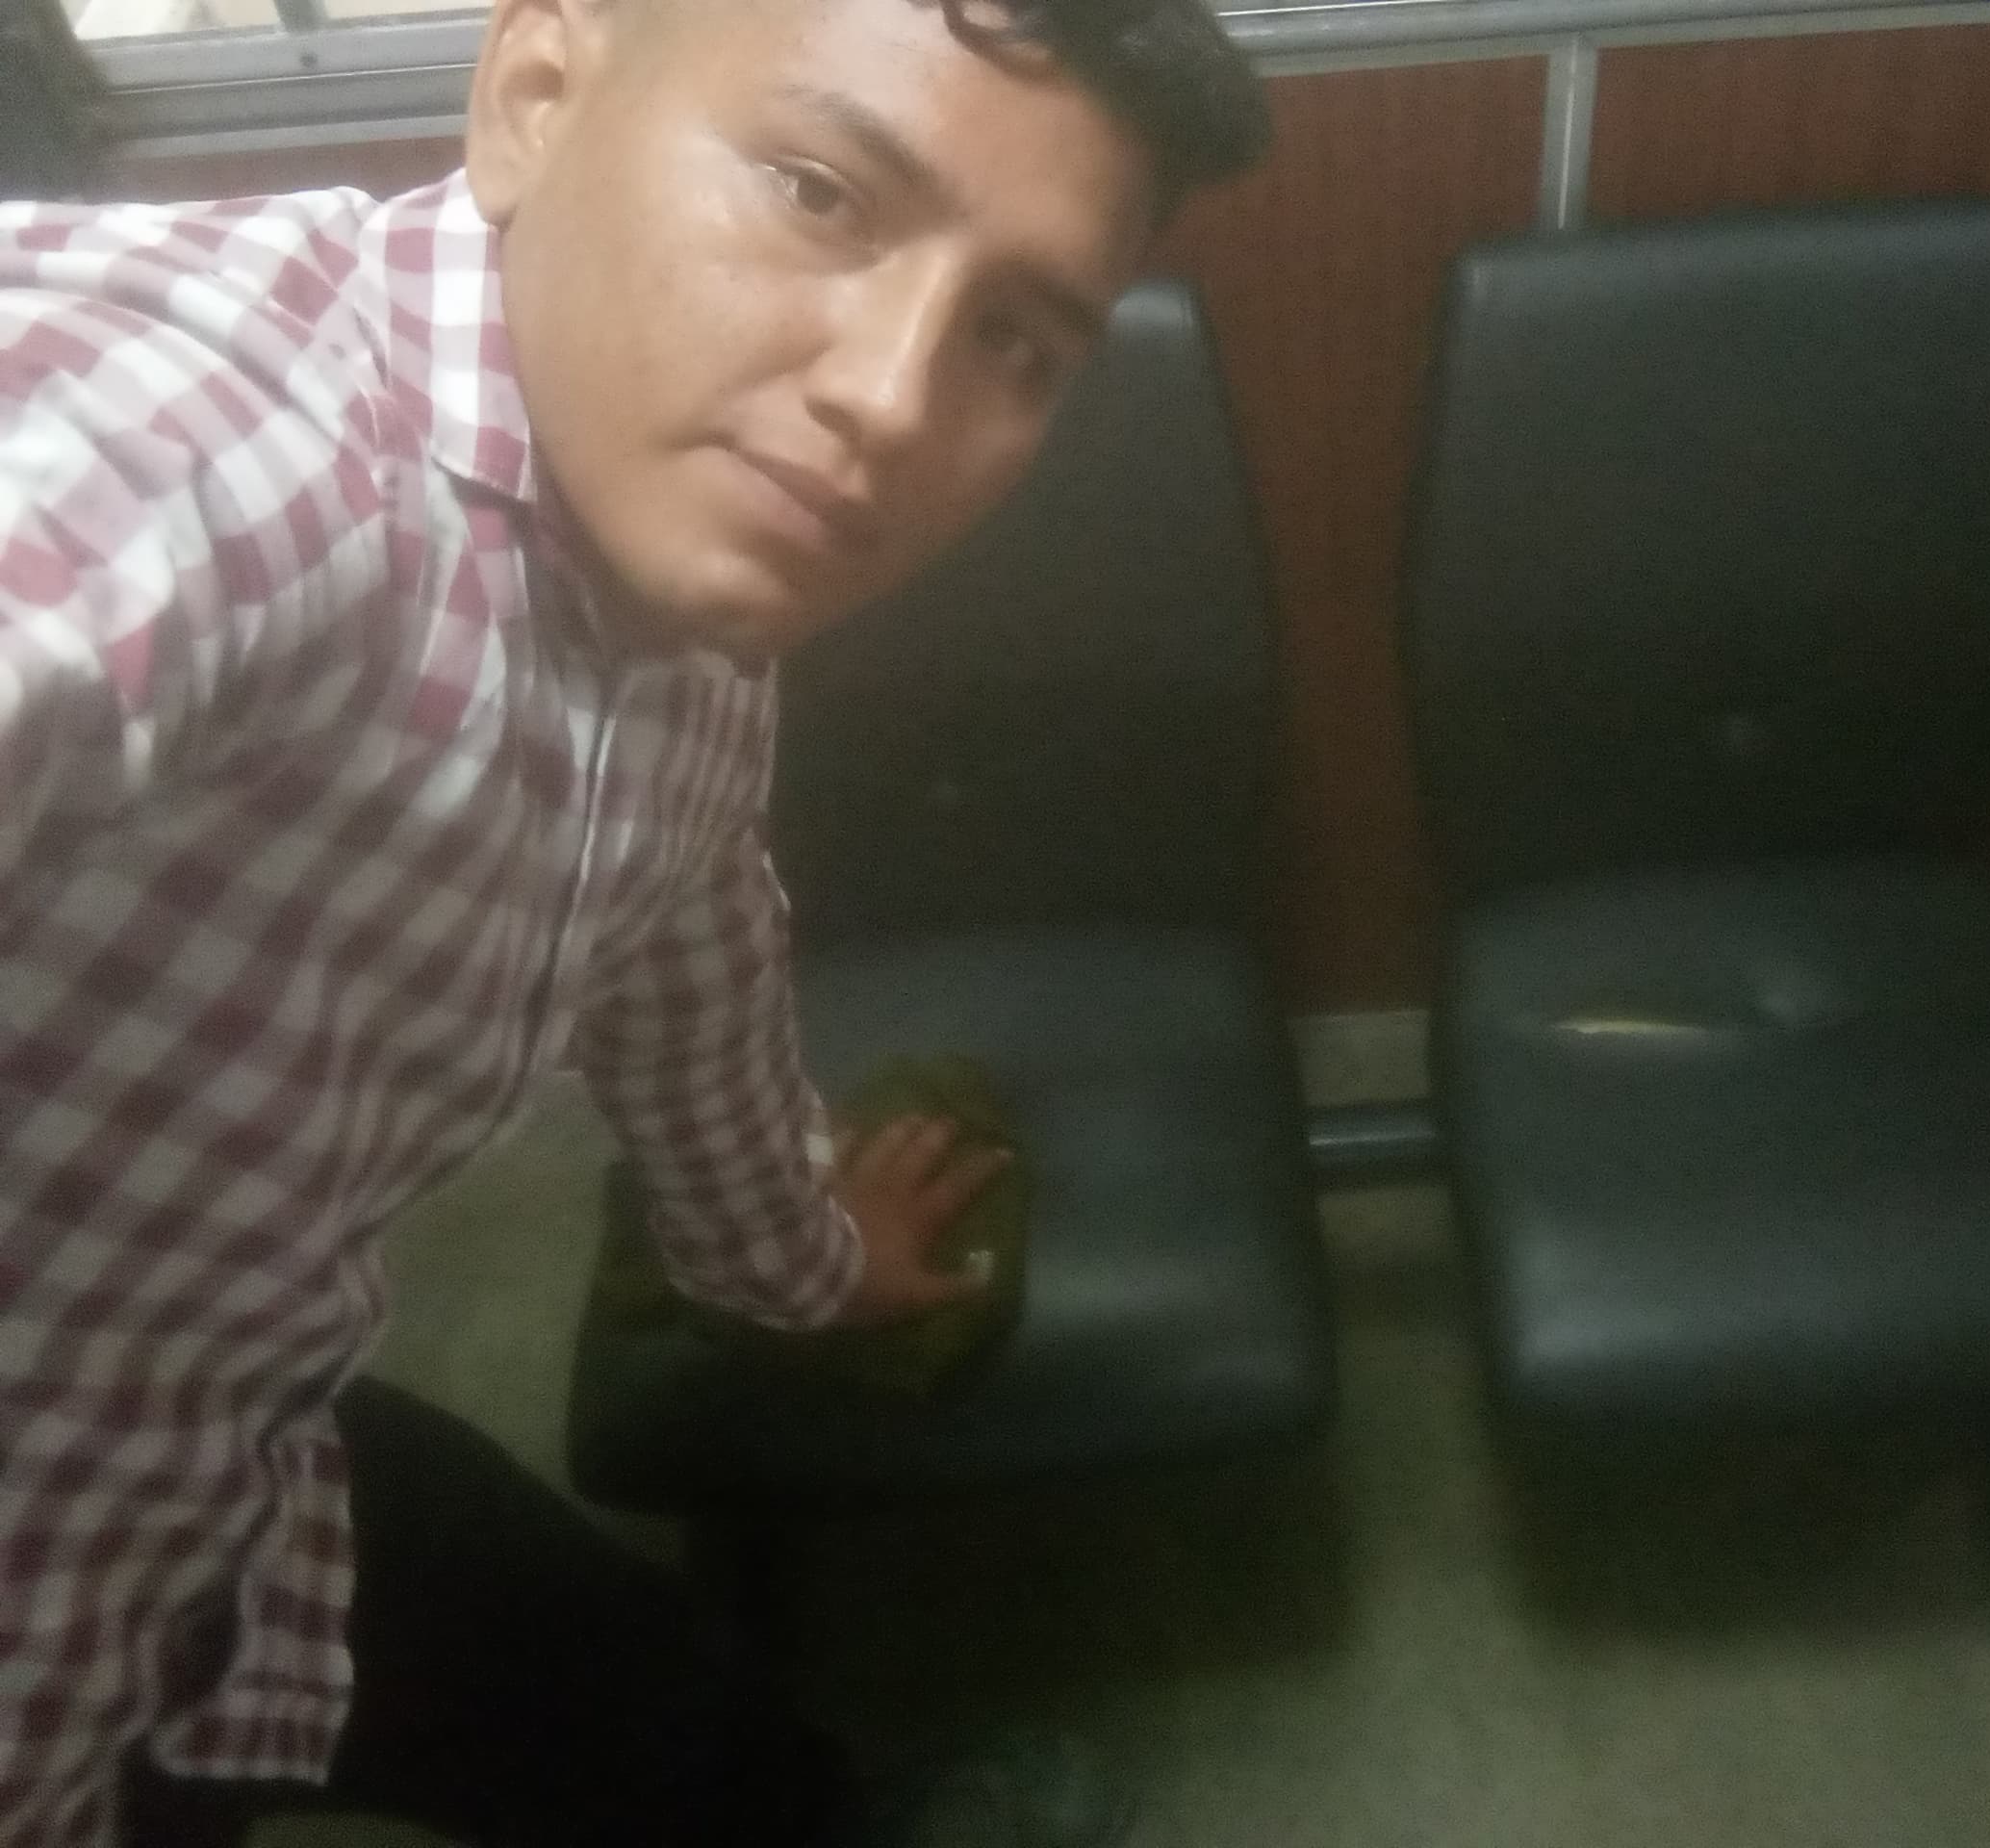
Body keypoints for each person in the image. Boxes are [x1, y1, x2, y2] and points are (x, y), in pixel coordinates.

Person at [0, 0, 1268, 1842]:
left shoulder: (684, 624)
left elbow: (694, 949)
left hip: (225, 1414)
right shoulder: (233, 432)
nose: (894, 399)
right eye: (820, 192)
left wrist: (802, 1261)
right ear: (535, 97)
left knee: (644, 1703)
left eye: (1011, 335)